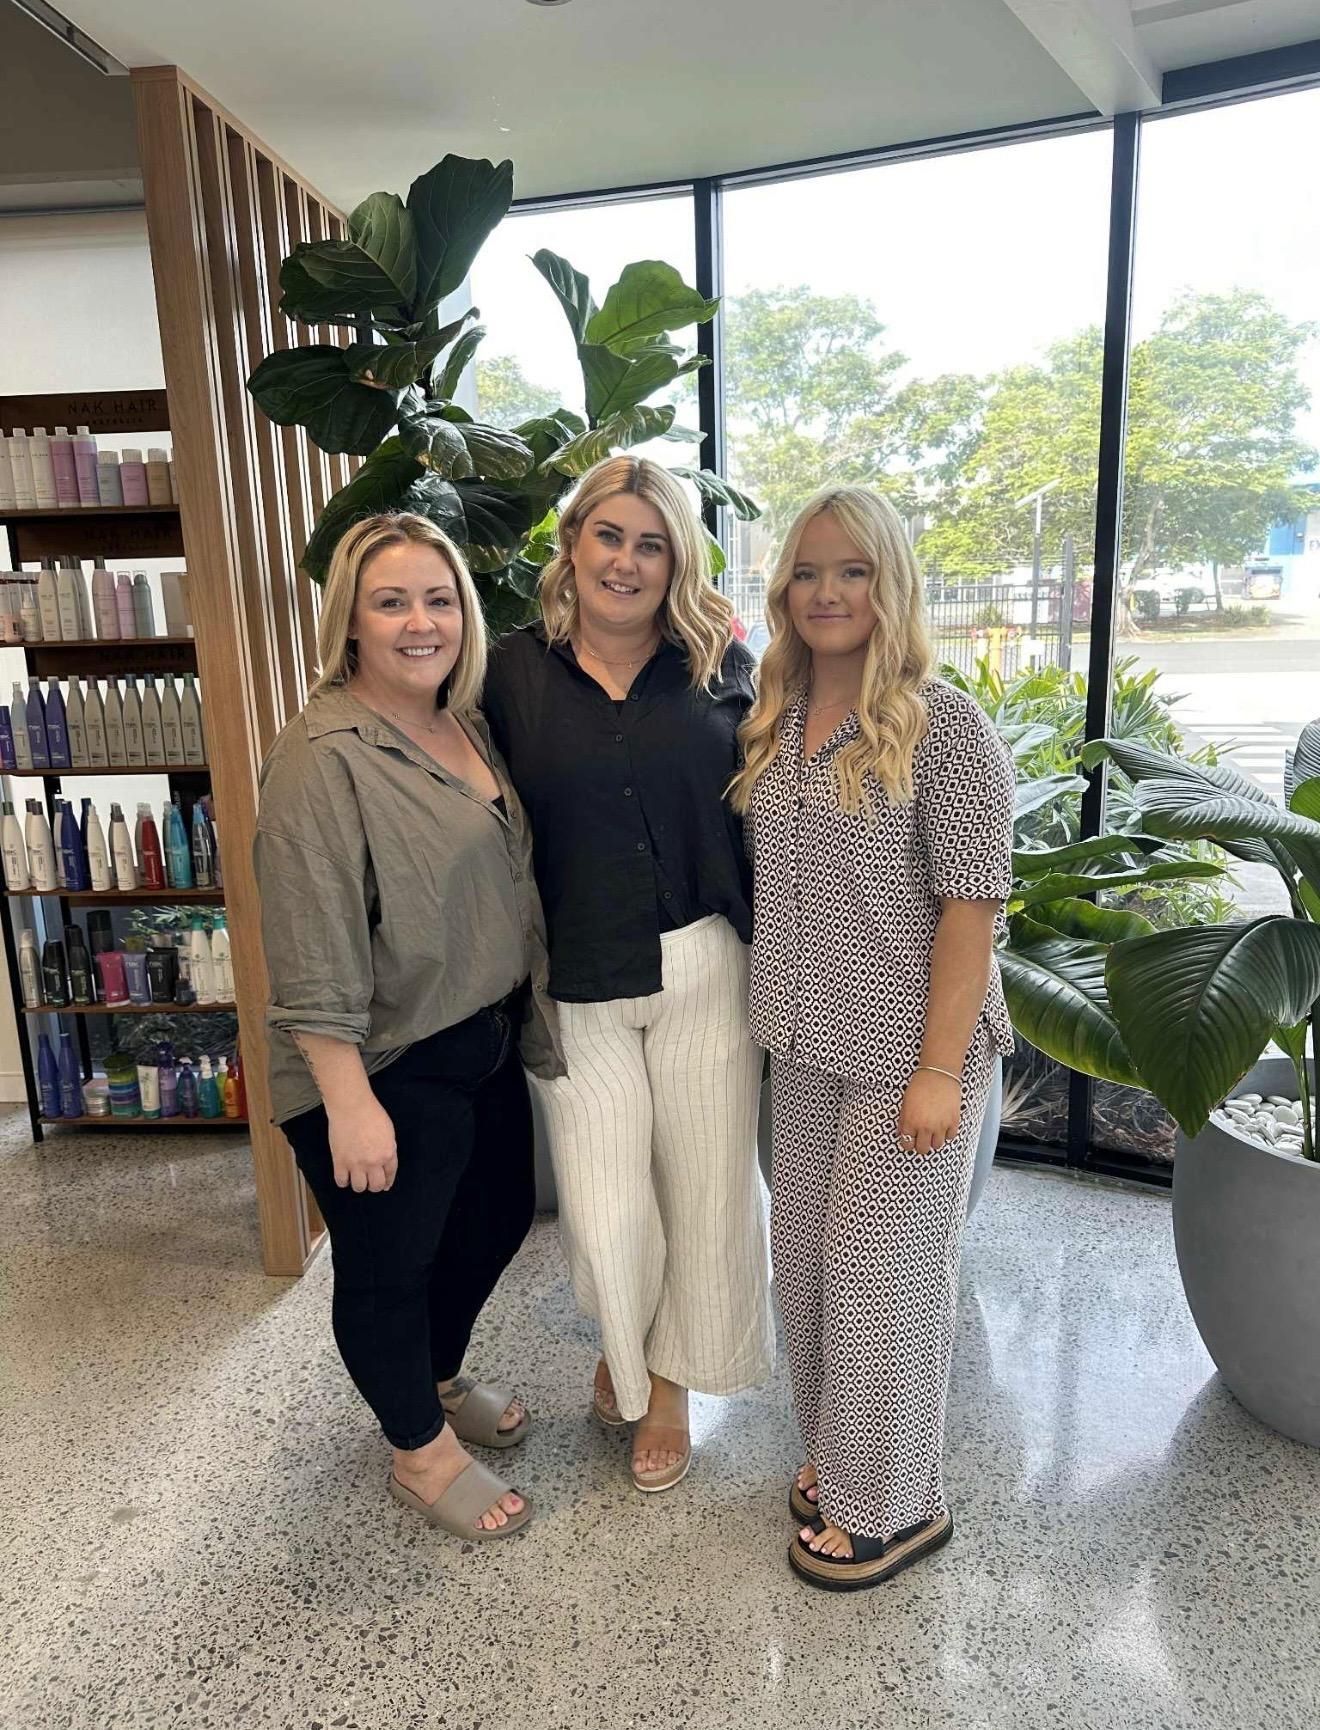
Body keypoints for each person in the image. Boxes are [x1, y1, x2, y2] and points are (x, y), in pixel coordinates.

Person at [254, 512, 564, 1543]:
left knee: (494, 1217)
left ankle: (427, 1379)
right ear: (351, 620)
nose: (419, 621)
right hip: (378, 1057)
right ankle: (418, 1450)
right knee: (389, 1264)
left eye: (438, 599)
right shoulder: (321, 756)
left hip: (473, 1031)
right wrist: (348, 1101)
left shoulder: (461, 724)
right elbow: (306, 943)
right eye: (391, 601)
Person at [729, 484, 1015, 1590]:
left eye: (852, 570)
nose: (828, 592)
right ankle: (841, 1458)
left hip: (911, 1053)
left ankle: (894, 1506)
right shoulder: (775, 717)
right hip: (801, 1043)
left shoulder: (947, 728)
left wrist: (942, 1069)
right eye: (807, 571)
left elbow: (972, 909)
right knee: (802, 1271)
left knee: (881, 1280)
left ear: (889, 583)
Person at [482, 455, 772, 1492]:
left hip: (707, 961)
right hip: (577, 979)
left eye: (652, 543)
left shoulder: (724, 662)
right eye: (610, 535)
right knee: (608, 1211)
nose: (628, 559)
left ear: (677, 560)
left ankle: (670, 1377)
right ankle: (624, 1335)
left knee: (704, 1191)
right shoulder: (508, 671)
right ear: (572, 544)